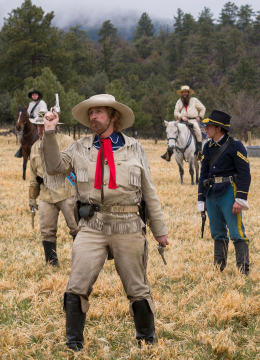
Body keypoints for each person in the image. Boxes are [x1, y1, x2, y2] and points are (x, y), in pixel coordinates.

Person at [41, 94, 169, 351]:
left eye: (98, 112)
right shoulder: (79, 147)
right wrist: (49, 131)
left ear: (113, 116)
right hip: (92, 225)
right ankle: (73, 346)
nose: (93, 117)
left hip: (128, 225)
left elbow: (149, 192)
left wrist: (160, 231)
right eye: (90, 113)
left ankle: (147, 342)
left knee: (137, 287)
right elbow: (54, 165)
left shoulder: (135, 148)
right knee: (76, 284)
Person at [197, 110, 251, 275]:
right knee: (217, 231)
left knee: (236, 232)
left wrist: (240, 199)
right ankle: (218, 267)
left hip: (229, 192)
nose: (205, 128)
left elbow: (244, 173)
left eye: (208, 126)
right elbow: (203, 174)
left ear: (218, 128)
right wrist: (201, 199)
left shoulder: (235, 146)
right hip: (212, 193)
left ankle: (243, 270)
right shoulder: (208, 147)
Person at [27, 112, 79, 266]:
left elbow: (76, 169)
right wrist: (32, 197)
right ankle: (51, 262)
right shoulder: (35, 147)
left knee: (76, 228)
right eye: (39, 125)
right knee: (47, 230)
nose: (41, 128)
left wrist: (77, 189)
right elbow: (33, 176)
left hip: (67, 192)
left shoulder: (67, 142)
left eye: (44, 125)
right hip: (46, 195)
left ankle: (82, 261)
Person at [161, 85, 206, 161]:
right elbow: (176, 112)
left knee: (198, 132)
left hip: (193, 120)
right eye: (183, 92)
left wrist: (200, 117)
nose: (184, 93)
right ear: (181, 93)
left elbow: (203, 108)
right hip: (182, 121)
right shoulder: (179, 102)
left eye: (186, 92)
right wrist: (181, 116)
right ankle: (168, 152)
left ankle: (199, 152)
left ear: (188, 93)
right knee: (172, 131)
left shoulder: (194, 100)